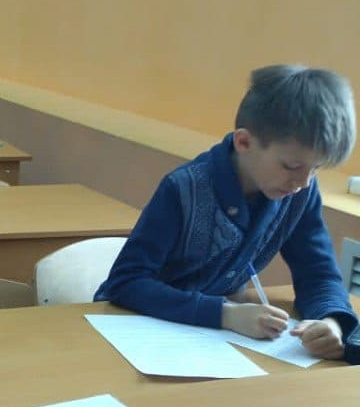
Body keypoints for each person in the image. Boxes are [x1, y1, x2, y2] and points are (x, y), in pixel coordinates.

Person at [96, 64, 358, 361]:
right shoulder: (183, 189)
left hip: (213, 344)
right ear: (243, 142)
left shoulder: (298, 192)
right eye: (292, 166)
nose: (303, 182)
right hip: (136, 332)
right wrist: (225, 314)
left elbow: (318, 274)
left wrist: (331, 321)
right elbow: (125, 284)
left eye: (317, 168)